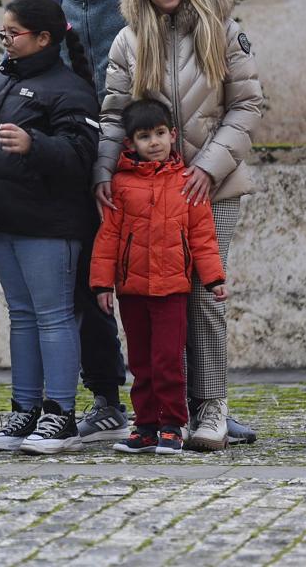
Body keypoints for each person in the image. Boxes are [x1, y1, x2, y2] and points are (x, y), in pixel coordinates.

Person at [96, 0, 263, 452]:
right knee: (155, 300)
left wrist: (208, 168)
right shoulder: (128, 41)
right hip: (147, 193)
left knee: (202, 297)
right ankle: (172, 412)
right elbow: (113, 114)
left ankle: (212, 407)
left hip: (210, 188)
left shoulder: (224, 32)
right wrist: (104, 173)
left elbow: (248, 104)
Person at [0, 0, 101, 455]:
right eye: (2, 33)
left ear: (44, 38)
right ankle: (24, 410)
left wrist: (34, 144)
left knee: (54, 316)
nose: (5, 41)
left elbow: (82, 155)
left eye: (12, 34)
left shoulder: (70, 88)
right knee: (21, 318)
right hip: (2, 224)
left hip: (50, 226)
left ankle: (59, 414)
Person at [90, 98, 227, 456]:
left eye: (161, 133)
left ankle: (172, 425)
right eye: (145, 136)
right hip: (132, 290)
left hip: (171, 291)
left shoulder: (187, 183)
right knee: (141, 362)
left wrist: (214, 279)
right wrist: (102, 284)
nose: (154, 142)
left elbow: (202, 237)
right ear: (130, 143)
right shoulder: (120, 185)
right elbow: (108, 238)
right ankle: (146, 427)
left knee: (167, 360)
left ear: (173, 135)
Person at [46, 0, 133, 445]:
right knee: (90, 284)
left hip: (142, 158)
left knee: (167, 282)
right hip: (77, 166)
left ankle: (194, 398)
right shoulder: (48, 7)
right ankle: (106, 397)